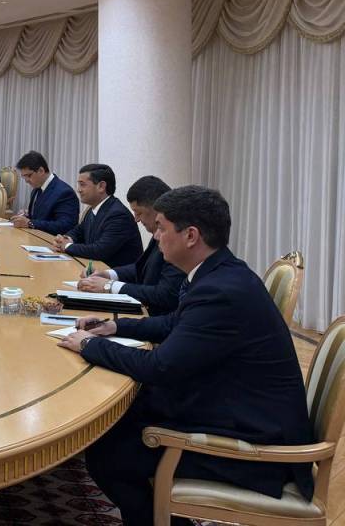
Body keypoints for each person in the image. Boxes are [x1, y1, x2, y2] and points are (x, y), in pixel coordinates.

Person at [57, 186, 313, 526]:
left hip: (255, 442)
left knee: (110, 454)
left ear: (191, 236)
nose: (155, 235)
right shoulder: (218, 272)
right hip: (235, 405)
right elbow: (174, 323)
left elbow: (159, 367)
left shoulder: (220, 290)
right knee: (124, 420)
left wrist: (90, 346)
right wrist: (114, 327)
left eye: (161, 228)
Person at [77, 175, 184, 315]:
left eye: (138, 213)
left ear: (157, 209)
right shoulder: (159, 234)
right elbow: (141, 267)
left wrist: (110, 286)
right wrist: (107, 274)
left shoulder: (176, 241)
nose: (136, 219)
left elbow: (164, 295)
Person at [52, 163, 142, 267]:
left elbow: (100, 250)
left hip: (116, 274)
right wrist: (65, 239)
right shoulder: (93, 209)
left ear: (101, 186)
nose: (78, 190)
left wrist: (67, 246)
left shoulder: (118, 215)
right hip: (96, 271)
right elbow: (78, 232)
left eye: (82, 185)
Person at [11, 151, 78, 235]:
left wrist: (29, 223)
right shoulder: (37, 189)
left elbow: (65, 226)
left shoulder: (64, 192)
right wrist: (26, 216)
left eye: (29, 175)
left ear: (41, 171)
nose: (26, 180)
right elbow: (41, 218)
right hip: (35, 236)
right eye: (24, 177)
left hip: (52, 240)